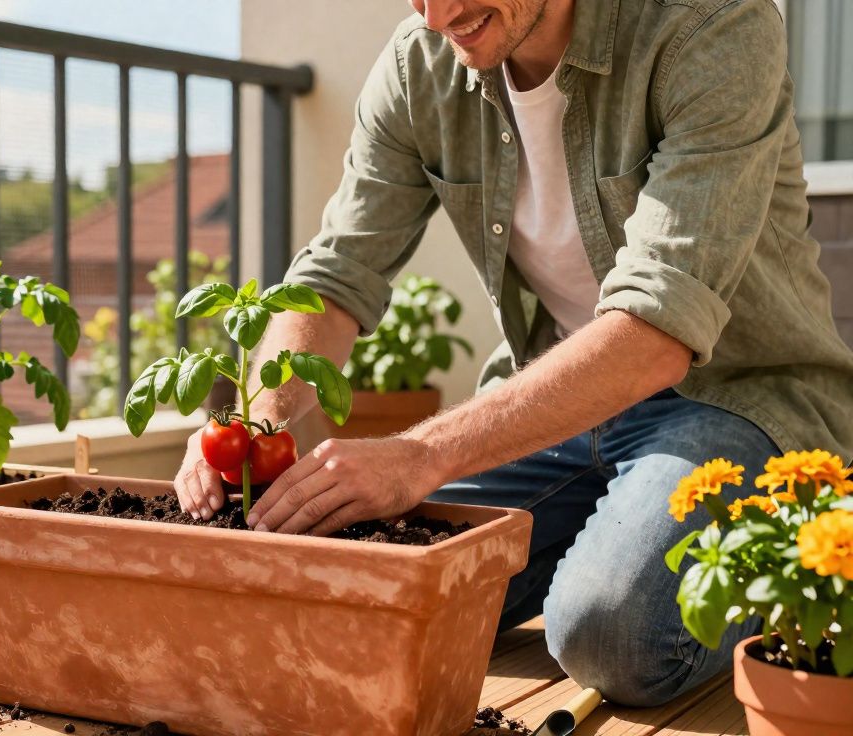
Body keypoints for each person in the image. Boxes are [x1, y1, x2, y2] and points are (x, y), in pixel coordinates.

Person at [171, 0, 853, 707]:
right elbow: (336, 276)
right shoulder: (421, 65)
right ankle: (600, 537)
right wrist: (258, 428)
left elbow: (658, 326)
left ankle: (812, 570)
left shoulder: (711, 26)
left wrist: (424, 454)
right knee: (359, 584)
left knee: (609, 636)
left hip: (733, 402)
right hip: (557, 416)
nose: (438, 16)